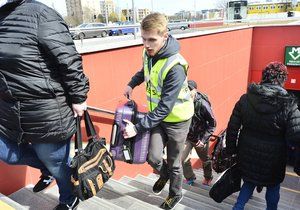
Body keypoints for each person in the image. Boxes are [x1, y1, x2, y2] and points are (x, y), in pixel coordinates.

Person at [0, 1, 89, 210]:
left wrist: (78, 97)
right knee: (7, 154)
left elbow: (69, 61)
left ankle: (69, 198)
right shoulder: (2, 16)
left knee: (57, 163)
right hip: (9, 112)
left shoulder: (42, 15)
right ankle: (48, 169)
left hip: (46, 113)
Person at [123, 13, 194, 210]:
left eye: (152, 39)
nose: (146, 44)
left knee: (174, 162)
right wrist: (131, 84)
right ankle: (164, 174)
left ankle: (175, 193)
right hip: (158, 117)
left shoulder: (175, 66)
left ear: (165, 36)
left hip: (177, 120)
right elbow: (145, 71)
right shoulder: (148, 53)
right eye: (143, 39)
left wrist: (137, 127)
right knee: (152, 157)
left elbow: (165, 107)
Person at [226, 62, 300, 210]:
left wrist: (231, 150)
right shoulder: (289, 105)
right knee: (273, 188)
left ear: (264, 76)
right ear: (283, 79)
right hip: (274, 158)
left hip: (247, 152)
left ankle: (237, 207)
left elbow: (232, 128)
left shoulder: (246, 99)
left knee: (248, 182)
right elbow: (295, 137)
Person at [181, 80, 216, 186]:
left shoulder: (203, 104)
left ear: (195, 90)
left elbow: (213, 123)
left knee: (205, 159)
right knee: (182, 158)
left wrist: (204, 139)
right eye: (186, 89)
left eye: (190, 89)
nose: (188, 91)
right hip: (187, 136)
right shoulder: (183, 100)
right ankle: (190, 177)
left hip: (200, 138)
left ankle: (208, 177)